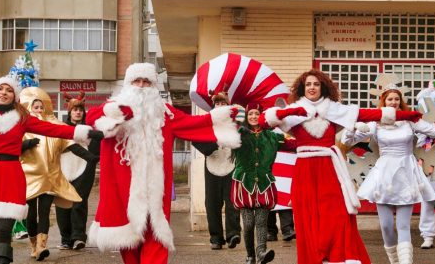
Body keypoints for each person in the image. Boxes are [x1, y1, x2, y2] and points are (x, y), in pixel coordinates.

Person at [259, 69, 422, 264]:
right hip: (305, 172)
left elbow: (367, 113)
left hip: (329, 168)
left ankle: (339, 257)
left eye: (316, 84)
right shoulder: (295, 111)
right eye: (309, 84)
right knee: (308, 220)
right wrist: (291, 110)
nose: (312, 87)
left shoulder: (334, 109)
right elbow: (263, 121)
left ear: (323, 87)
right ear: (303, 88)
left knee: (337, 215)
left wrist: (403, 115)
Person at [86, 63, 241, 264]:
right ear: (128, 83)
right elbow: (92, 119)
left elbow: (192, 124)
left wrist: (221, 117)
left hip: (156, 189)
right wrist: (117, 112)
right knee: (128, 241)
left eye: (147, 82)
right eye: (137, 81)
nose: (141, 86)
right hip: (121, 187)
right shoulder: (114, 107)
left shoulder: (165, 113)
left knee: (156, 239)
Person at [0, 76, 100, 264]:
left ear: (14, 96)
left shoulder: (22, 117)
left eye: (9, 90)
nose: (4, 93)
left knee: (3, 231)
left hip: (11, 173)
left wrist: (85, 132)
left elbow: (52, 129)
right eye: (0, 89)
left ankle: (1, 258)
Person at [342, 87, 435, 264]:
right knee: (387, 227)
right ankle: (394, 260)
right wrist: (354, 127)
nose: (393, 102)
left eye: (396, 99)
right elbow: (347, 141)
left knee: (403, 226)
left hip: (406, 173)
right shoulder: (376, 122)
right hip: (384, 175)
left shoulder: (410, 121)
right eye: (389, 100)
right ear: (384, 102)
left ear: (401, 101)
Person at [195, 103, 288, 264]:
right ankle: (250, 254)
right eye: (250, 113)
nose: (253, 116)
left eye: (256, 113)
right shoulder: (238, 134)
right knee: (249, 223)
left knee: (260, 222)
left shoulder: (271, 136)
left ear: (262, 116)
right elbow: (218, 139)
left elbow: (290, 143)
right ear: (246, 116)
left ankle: (261, 252)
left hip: (264, 185)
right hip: (244, 185)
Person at [18, 87, 97, 261]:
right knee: (31, 214)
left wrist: (91, 157)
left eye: (41, 107)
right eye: (35, 107)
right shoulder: (22, 128)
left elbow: (71, 145)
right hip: (29, 178)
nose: (39, 110)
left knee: (45, 212)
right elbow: (11, 148)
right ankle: (33, 244)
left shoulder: (54, 128)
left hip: (49, 178)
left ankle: (41, 246)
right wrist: (26, 144)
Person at [196, 92, 241, 251]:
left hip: (231, 166)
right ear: (213, 107)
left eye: (223, 104)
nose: (220, 106)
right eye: (217, 104)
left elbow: (245, 141)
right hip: (212, 166)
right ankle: (216, 237)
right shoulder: (207, 125)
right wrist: (211, 146)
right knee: (212, 204)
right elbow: (195, 138)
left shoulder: (235, 124)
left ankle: (233, 234)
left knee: (232, 202)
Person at [56, 92, 101, 251]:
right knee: (62, 204)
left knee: (79, 203)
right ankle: (65, 238)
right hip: (63, 169)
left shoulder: (89, 130)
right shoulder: (61, 128)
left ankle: (78, 237)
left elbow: (96, 151)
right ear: (69, 111)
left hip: (84, 169)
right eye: (75, 109)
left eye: (80, 110)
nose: (78, 112)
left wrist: (92, 164)